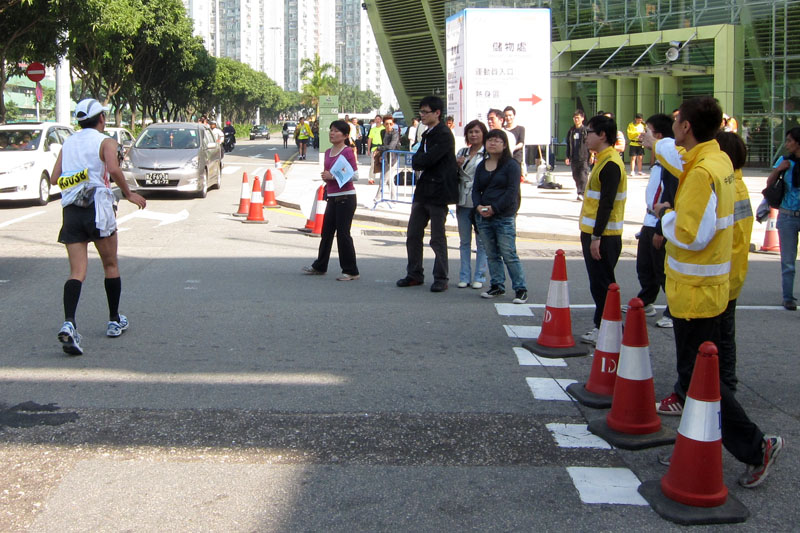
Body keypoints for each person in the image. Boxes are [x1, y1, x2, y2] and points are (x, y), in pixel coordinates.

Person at [654, 96, 783, 489]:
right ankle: (694, 447)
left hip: (695, 292)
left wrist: (666, 215)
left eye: (677, 121)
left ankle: (757, 445)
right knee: (701, 379)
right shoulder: (718, 162)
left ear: (687, 127)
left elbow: (692, 234)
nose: (674, 127)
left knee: (700, 382)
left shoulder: (701, 172)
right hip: (707, 289)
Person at [49, 98, 147, 356]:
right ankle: (114, 320)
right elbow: (113, 168)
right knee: (110, 265)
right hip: (99, 209)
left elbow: (54, 178)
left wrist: (79, 175)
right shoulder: (106, 142)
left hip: (71, 209)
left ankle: (69, 322)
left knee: (77, 271)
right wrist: (128, 193)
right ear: (101, 119)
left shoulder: (68, 143)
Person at [396, 95, 457, 292]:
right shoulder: (426, 133)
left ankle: (441, 277)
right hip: (423, 191)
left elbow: (426, 160)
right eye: (420, 112)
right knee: (413, 234)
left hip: (438, 192)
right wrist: (420, 159)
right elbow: (417, 161)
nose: (421, 115)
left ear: (437, 113)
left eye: (425, 112)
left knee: (437, 237)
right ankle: (414, 273)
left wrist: (421, 159)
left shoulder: (444, 134)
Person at [578, 114, 627, 344]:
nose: (585, 137)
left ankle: (610, 330)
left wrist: (596, 236)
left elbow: (606, 204)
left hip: (603, 236)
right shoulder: (602, 159)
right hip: (595, 233)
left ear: (603, 135)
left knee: (603, 285)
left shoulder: (610, 163)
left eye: (589, 132)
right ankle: (605, 327)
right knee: (599, 284)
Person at [630, 114, 679, 329]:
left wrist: (661, 227)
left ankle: (673, 310)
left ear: (658, 136)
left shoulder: (671, 164)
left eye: (647, 131)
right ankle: (646, 300)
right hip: (649, 220)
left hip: (661, 222)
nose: (642, 135)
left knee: (662, 269)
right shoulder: (660, 162)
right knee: (645, 266)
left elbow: (670, 197)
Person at [473, 129, 528, 304]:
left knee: (508, 253)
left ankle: (520, 289)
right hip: (483, 216)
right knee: (491, 254)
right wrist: (478, 206)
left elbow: (512, 192)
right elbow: (475, 189)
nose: (493, 143)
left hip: (503, 215)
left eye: (497, 140)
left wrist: (494, 208)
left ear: (505, 145)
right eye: (490, 140)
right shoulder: (482, 164)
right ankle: (497, 285)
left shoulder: (511, 165)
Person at [302, 120, 360, 281]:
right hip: (332, 197)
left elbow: (355, 175)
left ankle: (351, 271)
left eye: (336, 131)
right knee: (326, 233)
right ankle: (320, 266)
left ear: (346, 135)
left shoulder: (347, 152)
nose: (332, 133)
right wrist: (326, 179)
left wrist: (332, 176)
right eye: (331, 130)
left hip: (346, 197)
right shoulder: (328, 152)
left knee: (343, 234)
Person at [765, 127, 800, 310]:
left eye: (789, 141)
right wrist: (779, 169)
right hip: (787, 215)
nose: (787, 144)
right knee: (788, 260)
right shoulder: (784, 161)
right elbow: (769, 184)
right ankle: (788, 297)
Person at [455, 120, 489, 290]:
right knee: (464, 241)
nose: (473, 135)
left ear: (483, 134)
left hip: (480, 200)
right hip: (462, 199)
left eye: (477, 131)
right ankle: (464, 276)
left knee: (482, 241)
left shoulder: (488, 154)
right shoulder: (462, 152)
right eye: (470, 132)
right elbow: (453, 174)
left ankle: (480, 276)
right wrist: (457, 165)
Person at [565, 109, 590, 201]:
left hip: (584, 157)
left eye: (578, 118)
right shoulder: (571, 131)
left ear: (582, 118)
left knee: (583, 175)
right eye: (575, 118)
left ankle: (582, 193)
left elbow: (590, 144)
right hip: (574, 157)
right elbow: (568, 144)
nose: (576, 120)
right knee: (575, 176)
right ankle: (580, 191)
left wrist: (592, 155)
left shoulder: (586, 130)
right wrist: (567, 156)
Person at [374, 115, 400, 202]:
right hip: (385, 157)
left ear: (393, 124)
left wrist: (379, 148)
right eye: (387, 124)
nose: (389, 126)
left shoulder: (395, 133)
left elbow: (391, 146)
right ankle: (393, 198)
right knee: (389, 179)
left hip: (392, 159)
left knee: (384, 179)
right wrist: (381, 154)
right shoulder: (382, 132)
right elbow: (384, 144)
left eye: (391, 124)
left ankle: (377, 198)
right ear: (384, 124)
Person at [503, 106, 526, 177]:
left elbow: (521, 143)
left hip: (516, 157)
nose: (508, 118)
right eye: (506, 116)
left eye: (510, 115)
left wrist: (512, 148)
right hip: (504, 156)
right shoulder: (502, 129)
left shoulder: (520, 129)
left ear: (514, 116)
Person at [366, 115, 384, 183]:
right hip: (374, 148)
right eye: (376, 119)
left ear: (381, 120)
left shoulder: (384, 129)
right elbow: (370, 139)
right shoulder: (373, 129)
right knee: (373, 164)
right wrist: (368, 149)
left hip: (382, 149)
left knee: (382, 165)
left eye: (379, 119)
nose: (377, 120)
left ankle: (382, 179)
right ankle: (371, 178)